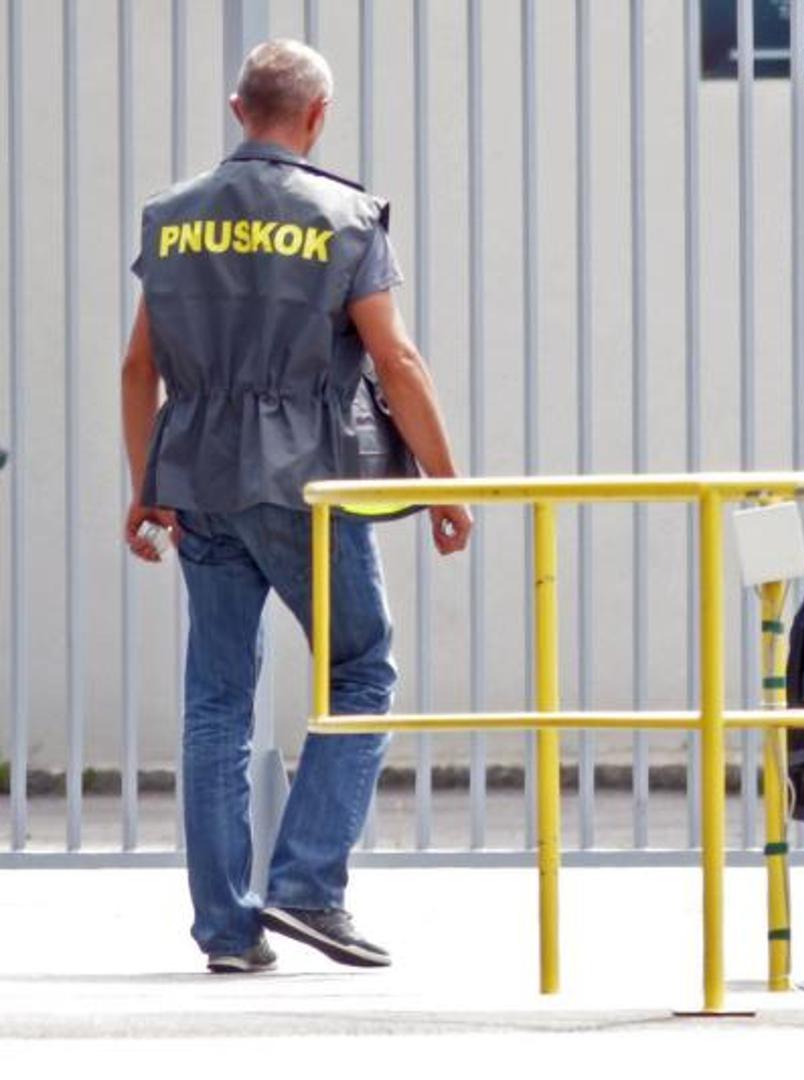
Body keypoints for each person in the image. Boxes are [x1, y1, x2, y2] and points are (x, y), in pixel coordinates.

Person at [120, 40, 472, 975]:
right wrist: (444, 483)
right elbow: (396, 360)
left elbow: (138, 367)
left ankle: (227, 931)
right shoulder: (346, 217)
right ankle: (309, 884)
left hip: (200, 484)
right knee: (361, 671)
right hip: (308, 485)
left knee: (216, 703)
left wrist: (147, 486)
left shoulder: (171, 217)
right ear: (318, 117)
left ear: (239, 109)